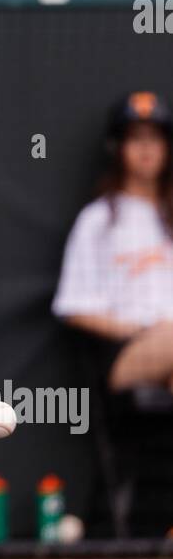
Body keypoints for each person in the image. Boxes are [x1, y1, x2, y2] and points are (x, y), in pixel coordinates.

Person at [54, 92, 173, 392]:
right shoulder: (98, 220)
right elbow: (72, 306)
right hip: (129, 350)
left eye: (155, 138)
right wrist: (134, 327)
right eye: (136, 138)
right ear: (118, 148)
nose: (146, 148)